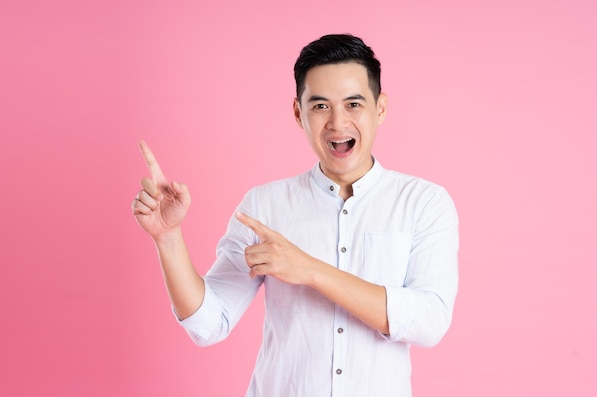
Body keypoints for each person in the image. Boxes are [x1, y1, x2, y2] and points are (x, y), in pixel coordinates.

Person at [132, 33, 459, 397]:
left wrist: (310, 270)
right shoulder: (263, 207)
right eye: (320, 106)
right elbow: (210, 325)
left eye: (354, 104)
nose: (338, 123)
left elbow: (429, 321)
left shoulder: (424, 202)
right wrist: (168, 237)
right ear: (298, 112)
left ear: (379, 108)